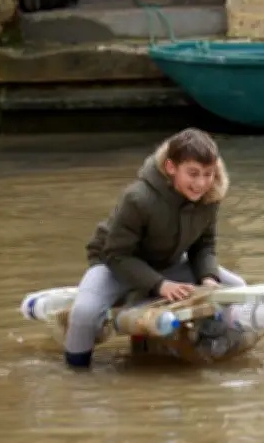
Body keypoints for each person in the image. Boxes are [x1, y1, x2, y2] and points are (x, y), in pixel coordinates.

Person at [64, 128, 246, 369]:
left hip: (167, 265)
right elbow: (116, 254)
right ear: (171, 168)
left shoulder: (210, 198)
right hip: (114, 266)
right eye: (193, 173)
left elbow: (204, 246)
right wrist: (160, 285)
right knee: (84, 314)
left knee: (237, 289)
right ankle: (75, 375)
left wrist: (209, 278)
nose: (201, 183)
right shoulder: (137, 198)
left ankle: (219, 344)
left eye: (208, 174)